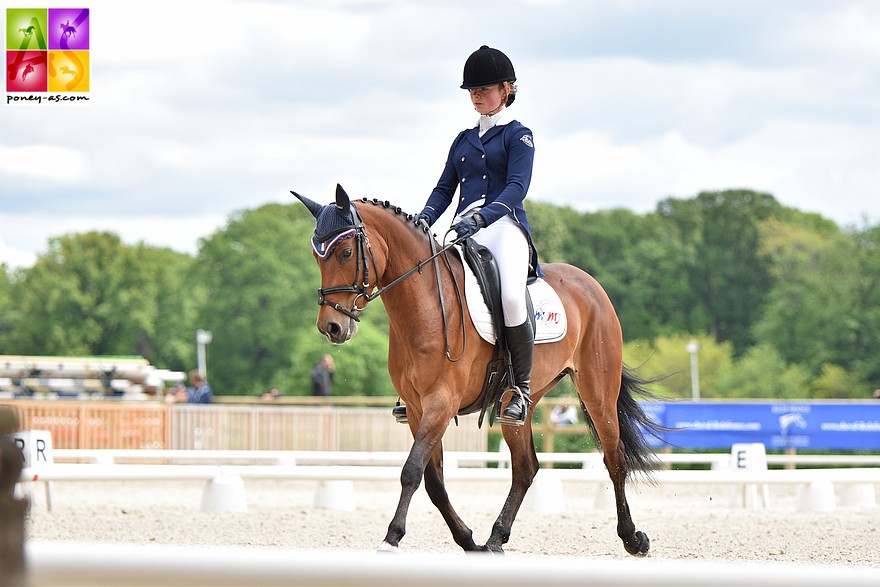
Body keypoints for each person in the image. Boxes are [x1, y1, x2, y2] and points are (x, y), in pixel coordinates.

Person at [414, 45, 541, 425]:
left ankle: (520, 387)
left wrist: (482, 218)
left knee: (511, 298)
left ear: (506, 89)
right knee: (430, 290)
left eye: (484, 89)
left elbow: (517, 187)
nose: (477, 95)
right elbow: (443, 190)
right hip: (462, 228)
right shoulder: (463, 140)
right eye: (472, 91)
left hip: (503, 227)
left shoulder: (519, 136)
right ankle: (419, 384)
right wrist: (423, 219)